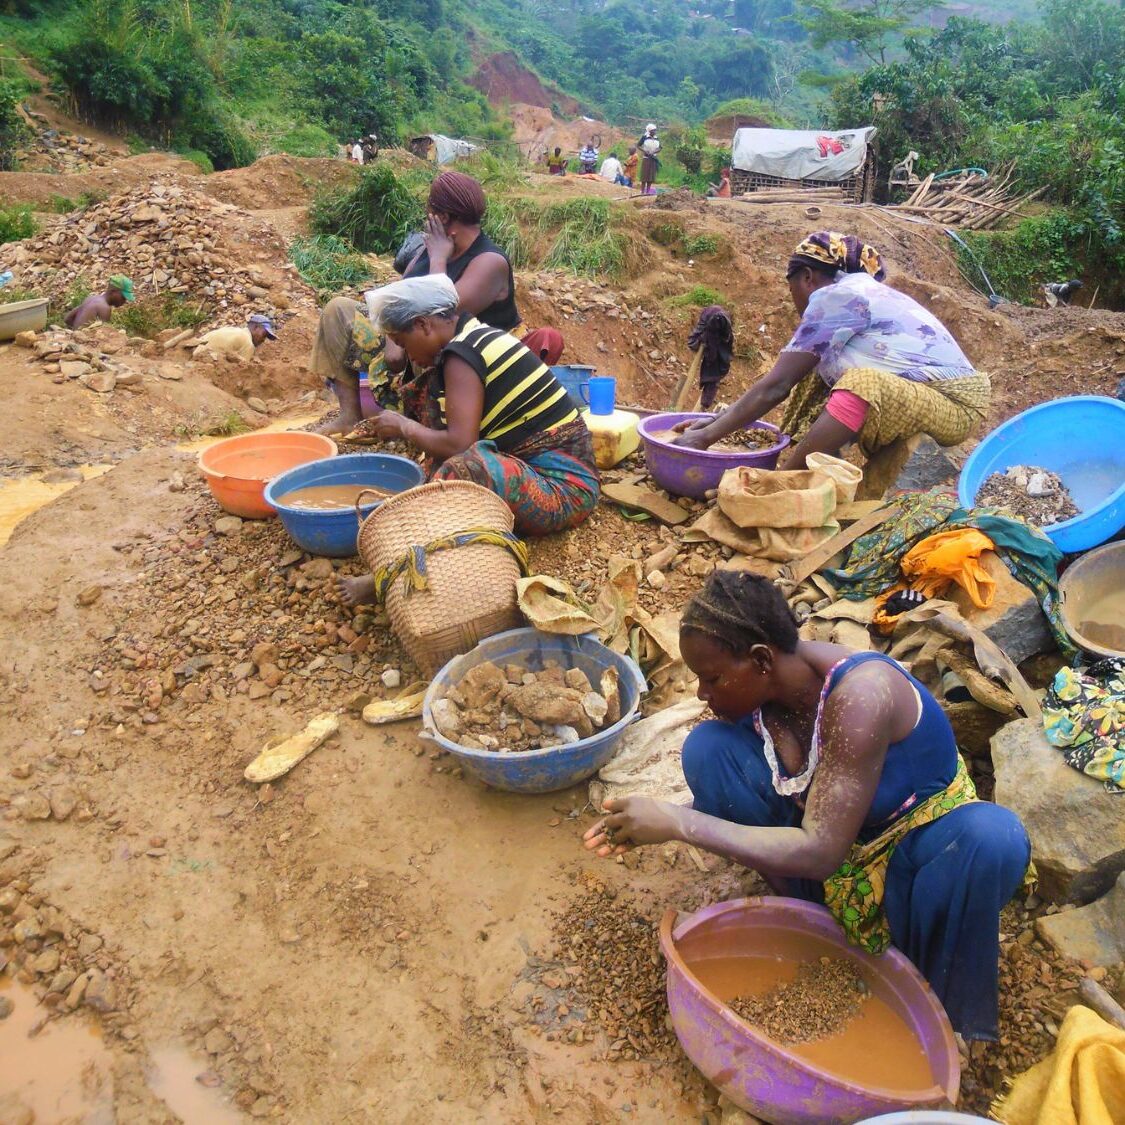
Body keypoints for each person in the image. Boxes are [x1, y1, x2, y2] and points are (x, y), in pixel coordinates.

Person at [583, 569, 1031, 1044]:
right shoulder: (767, 696)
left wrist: (678, 821)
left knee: (991, 838)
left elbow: (821, 851)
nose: (701, 694)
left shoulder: (860, 696)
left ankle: (934, 1008)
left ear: (760, 661)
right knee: (709, 750)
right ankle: (808, 920)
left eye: (712, 678)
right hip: (832, 861)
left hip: (910, 863)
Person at [337, 275, 600, 605]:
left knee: (467, 467)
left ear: (423, 325)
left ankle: (396, 569)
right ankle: (430, 523)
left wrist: (403, 427)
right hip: (545, 475)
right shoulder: (473, 337)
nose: (407, 356)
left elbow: (460, 445)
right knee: (436, 423)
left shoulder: (464, 353)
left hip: (564, 492)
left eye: (403, 343)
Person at [674, 232, 989, 469]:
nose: (794, 299)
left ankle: (785, 480)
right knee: (817, 369)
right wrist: (713, 424)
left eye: (792, 287)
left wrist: (704, 439)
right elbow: (784, 378)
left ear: (807, 278)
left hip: (956, 405)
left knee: (859, 383)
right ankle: (803, 459)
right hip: (932, 399)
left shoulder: (838, 297)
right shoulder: (861, 291)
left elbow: (777, 386)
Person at [308, 170, 525, 436]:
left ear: (443, 217)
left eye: (430, 210)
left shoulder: (489, 262)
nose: (426, 216)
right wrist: (392, 339)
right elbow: (400, 294)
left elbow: (439, 316)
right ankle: (350, 415)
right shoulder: (429, 249)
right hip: (410, 336)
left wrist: (438, 260)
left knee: (426, 339)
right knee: (338, 310)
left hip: (461, 354)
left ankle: (427, 427)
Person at [688, 305, 733, 409]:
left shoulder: (720, 322)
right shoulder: (717, 320)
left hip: (712, 329)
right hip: (711, 327)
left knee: (712, 374)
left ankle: (702, 405)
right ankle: (703, 405)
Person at [192, 314, 278, 362]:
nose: (263, 339)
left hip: (193, 351)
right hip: (202, 362)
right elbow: (242, 370)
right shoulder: (248, 343)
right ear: (256, 327)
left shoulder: (231, 329)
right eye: (264, 334)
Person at [64, 275, 134, 329]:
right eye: (123, 297)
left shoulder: (91, 298)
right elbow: (102, 336)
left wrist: (75, 332)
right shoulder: (104, 308)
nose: (124, 301)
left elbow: (67, 318)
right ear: (113, 292)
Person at [638, 125, 661, 195]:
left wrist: (654, 152)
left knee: (651, 176)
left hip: (653, 159)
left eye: (655, 130)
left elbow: (660, 148)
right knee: (644, 175)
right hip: (646, 158)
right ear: (649, 131)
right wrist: (645, 151)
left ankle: (648, 191)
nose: (654, 132)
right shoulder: (645, 137)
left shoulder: (657, 138)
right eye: (653, 130)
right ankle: (642, 191)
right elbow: (638, 145)